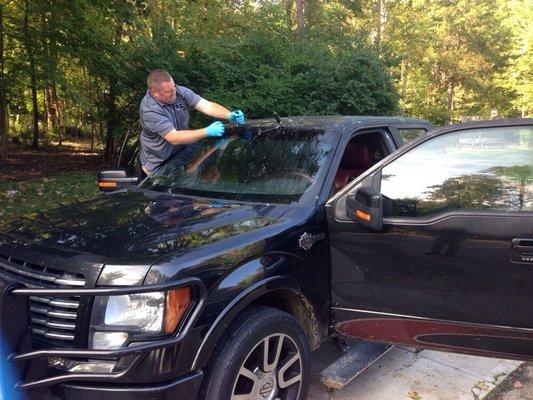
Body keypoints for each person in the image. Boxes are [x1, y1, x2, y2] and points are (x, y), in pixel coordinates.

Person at [139, 69, 245, 174]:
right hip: (160, 165)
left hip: (183, 152)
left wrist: (229, 115)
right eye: (168, 91)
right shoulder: (150, 110)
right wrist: (207, 131)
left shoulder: (179, 92)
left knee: (209, 174)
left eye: (174, 87)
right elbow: (174, 137)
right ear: (154, 91)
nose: (173, 92)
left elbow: (207, 106)